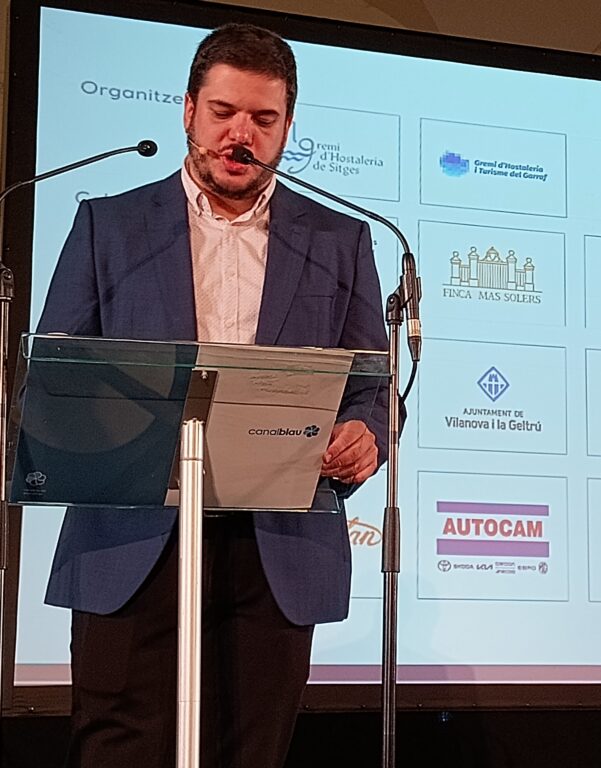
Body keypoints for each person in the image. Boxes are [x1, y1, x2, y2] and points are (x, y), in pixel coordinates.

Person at [37, 23, 391, 768]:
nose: (241, 135)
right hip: (133, 540)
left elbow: (373, 387)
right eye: (224, 112)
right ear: (189, 111)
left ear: (287, 127)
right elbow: (58, 379)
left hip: (275, 547)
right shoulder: (109, 225)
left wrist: (367, 433)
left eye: (263, 119)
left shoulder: (340, 240)